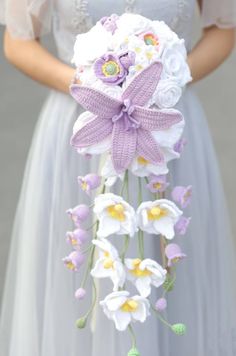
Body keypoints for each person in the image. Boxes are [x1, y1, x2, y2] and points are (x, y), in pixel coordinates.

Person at [0, 1, 236, 355]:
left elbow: (223, 30)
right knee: (80, 273)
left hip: (168, 127)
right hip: (81, 129)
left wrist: (165, 81)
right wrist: (88, 85)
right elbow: (18, 41)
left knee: (172, 272)